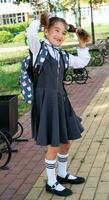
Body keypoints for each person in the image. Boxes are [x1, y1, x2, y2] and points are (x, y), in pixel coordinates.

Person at [26, 12, 90, 196]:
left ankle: (62, 174)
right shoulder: (38, 48)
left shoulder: (62, 54)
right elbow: (31, 34)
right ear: (46, 31)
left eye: (63, 32)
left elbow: (82, 61)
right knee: (54, 144)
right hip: (47, 102)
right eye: (56, 30)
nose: (60, 35)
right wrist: (40, 20)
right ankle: (51, 182)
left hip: (61, 100)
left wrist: (82, 42)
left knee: (66, 140)